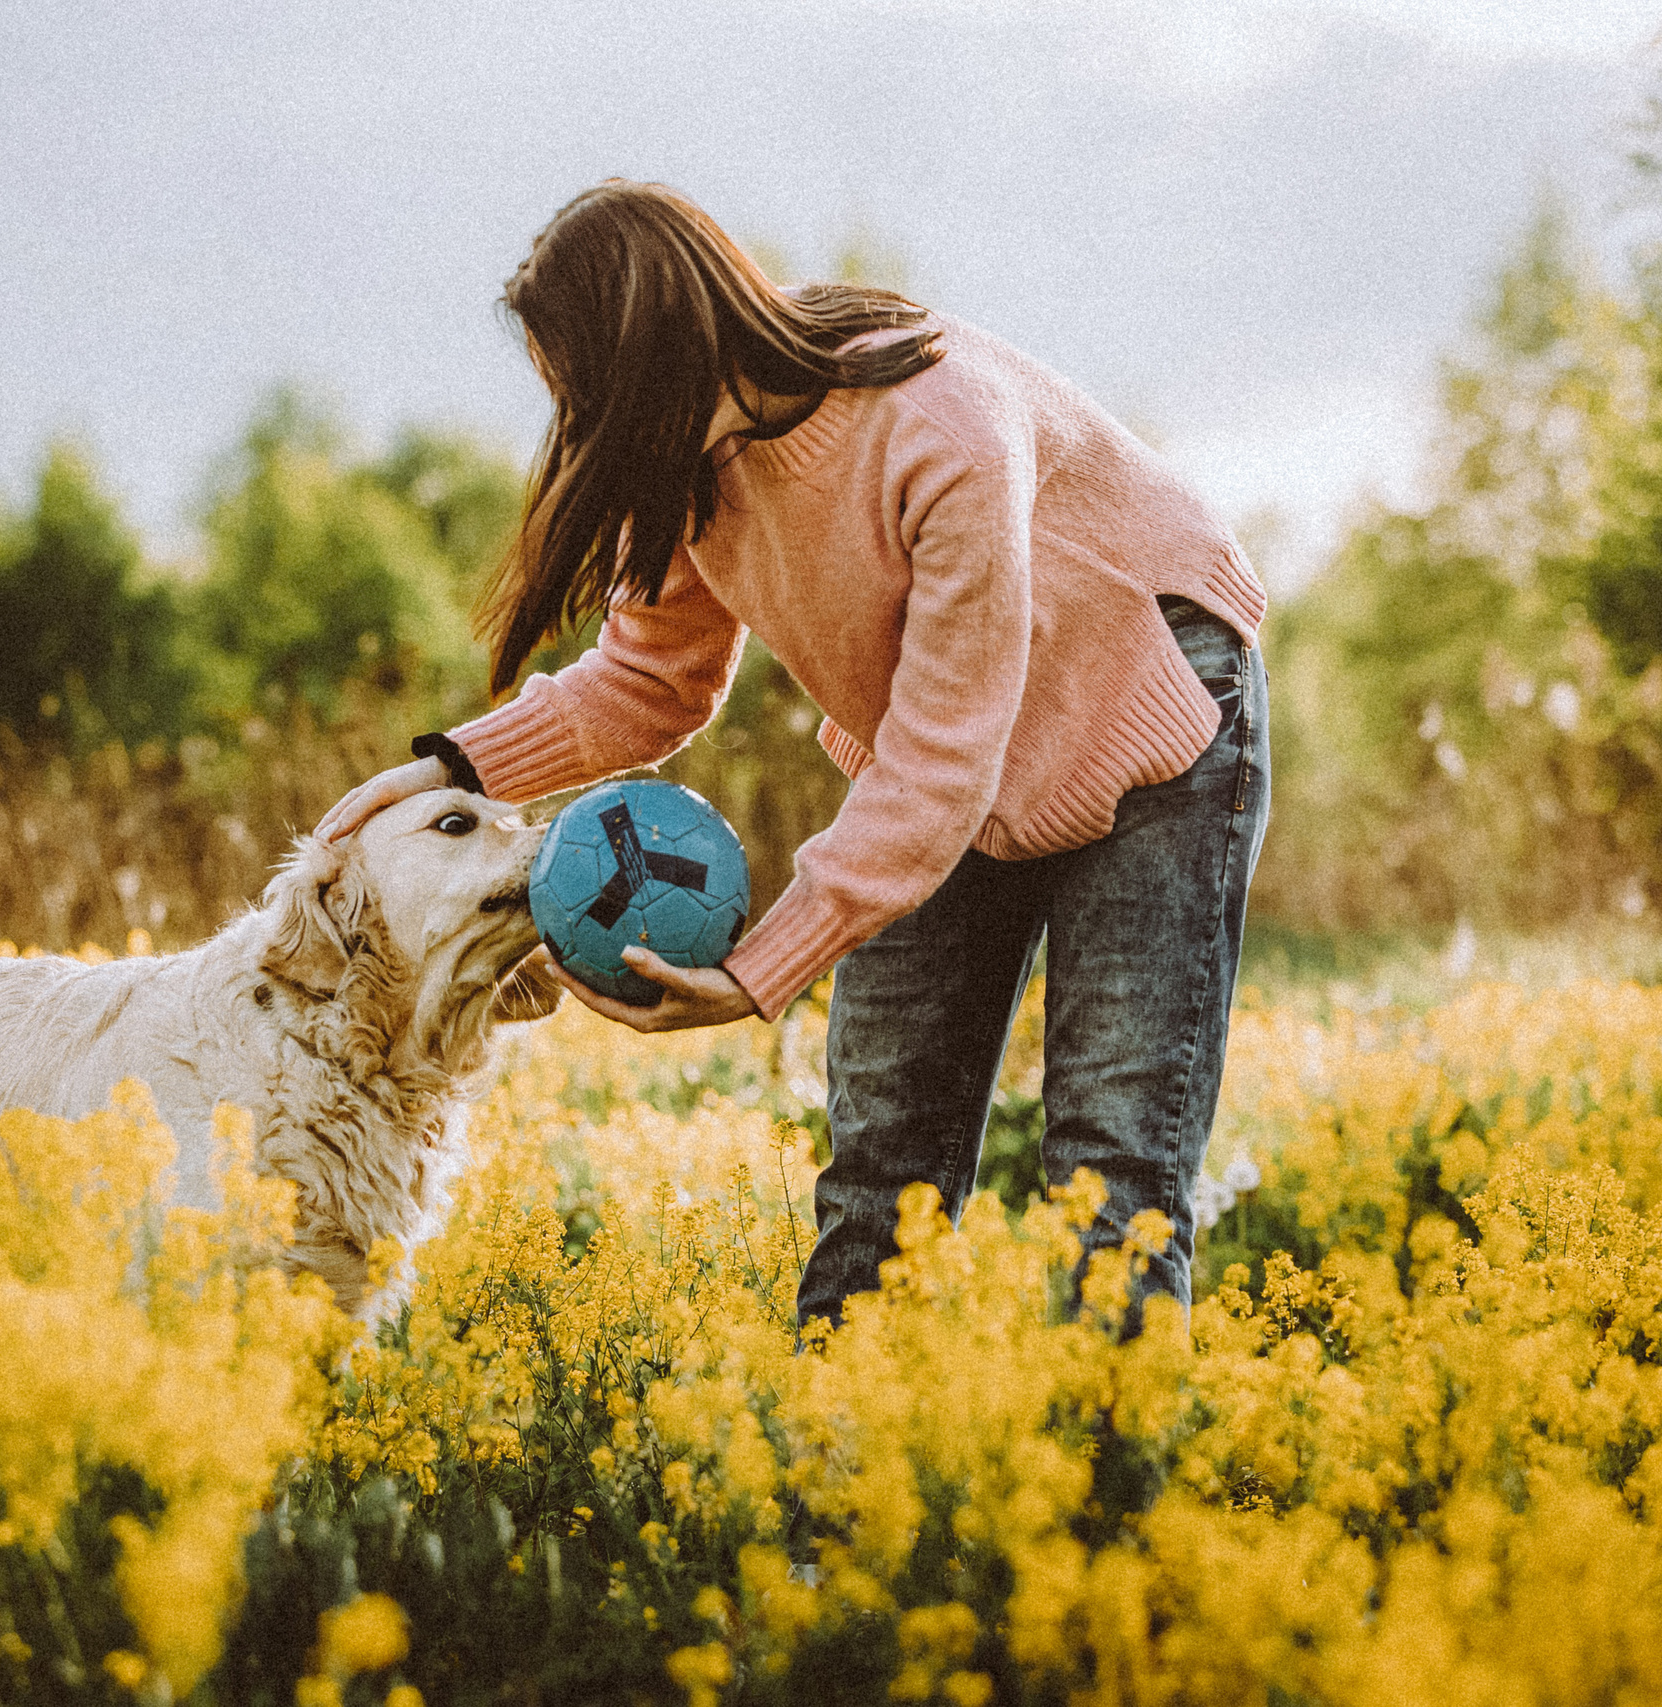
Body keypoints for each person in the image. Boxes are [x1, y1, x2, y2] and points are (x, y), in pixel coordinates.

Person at [316, 180, 1269, 1333]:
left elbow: (934, 763)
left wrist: (759, 969)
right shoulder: (688, 475)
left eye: (589, 390)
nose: (581, 424)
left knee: (1111, 1169)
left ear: (661, 345)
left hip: (1150, 712)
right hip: (947, 761)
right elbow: (647, 683)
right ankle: (841, 1491)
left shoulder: (939, 422)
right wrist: (447, 771)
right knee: (880, 1167)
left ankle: (1101, 1504)